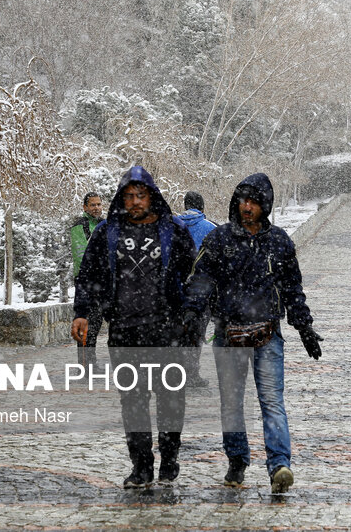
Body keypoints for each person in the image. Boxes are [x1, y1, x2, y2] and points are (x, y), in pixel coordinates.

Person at [182, 173, 323, 494]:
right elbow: (201, 280)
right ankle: (237, 459)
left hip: (267, 334)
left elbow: (292, 290)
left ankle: (279, 464)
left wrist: (305, 327)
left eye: (255, 202)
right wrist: (191, 313)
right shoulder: (218, 240)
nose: (248, 207)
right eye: (243, 200)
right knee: (232, 403)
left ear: (265, 205)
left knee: (272, 401)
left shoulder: (279, 242)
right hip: (229, 335)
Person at [71, 166, 197, 488]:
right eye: (129, 196)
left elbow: (195, 275)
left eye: (141, 195)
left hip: (166, 331)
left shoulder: (173, 230)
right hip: (125, 332)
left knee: (171, 398)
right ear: (121, 198)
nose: (136, 201)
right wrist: (82, 312)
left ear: (152, 196)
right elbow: (88, 276)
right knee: (133, 401)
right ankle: (141, 466)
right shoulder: (106, 233)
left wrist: (190, 312)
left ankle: (170, 456)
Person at [177, 190, 218, 389]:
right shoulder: (211, 228)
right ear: (202, 207)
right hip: (202, 290)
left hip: (175, 290)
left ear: (185, 206)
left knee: (176, 333)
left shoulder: (172, 226)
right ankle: (192, 374)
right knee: (196, 333)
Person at [70, 192, 104, 362]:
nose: (97, 208)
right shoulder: (80, 226)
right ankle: (85, 364)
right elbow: (81, 255)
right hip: (87, 282)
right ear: (85, 207)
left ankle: (90, 361)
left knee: (96, 324)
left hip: (100, 282)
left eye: (99, 204)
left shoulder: (103, 225)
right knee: (86, 324)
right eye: (93, 205)